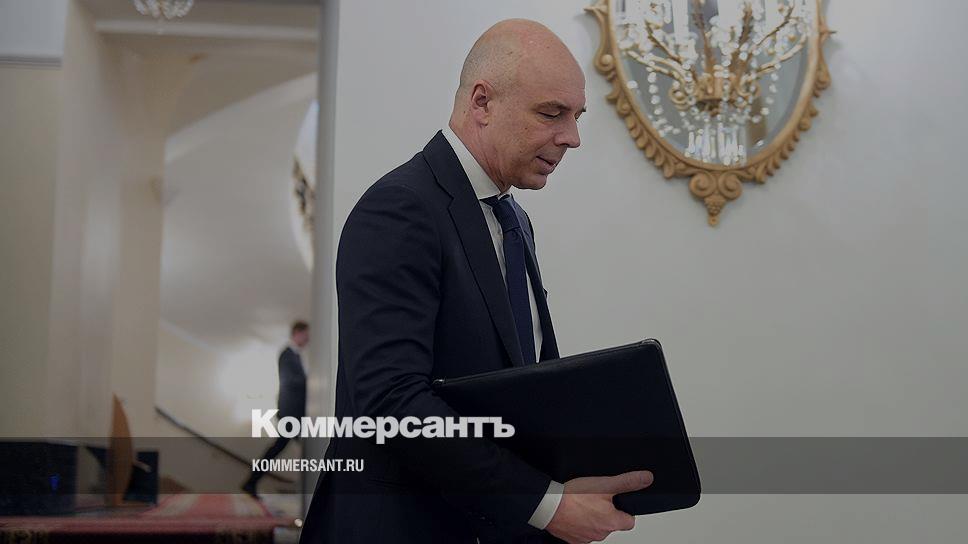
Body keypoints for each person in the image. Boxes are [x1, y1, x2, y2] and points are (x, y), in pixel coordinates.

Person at [299, 19, 652, 544]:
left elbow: (517, 387)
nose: (572, 138)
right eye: (551, 113)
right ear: (482, 103)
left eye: (576, 117)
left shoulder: (513, 219)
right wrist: (547, 505)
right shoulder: (399, 209)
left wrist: (571, 474)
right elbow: (392, 404)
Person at [242, 320, 309, 497]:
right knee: (299, 448)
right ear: (297, 333)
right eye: (306, 335)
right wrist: (311, 380)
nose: (307, 339)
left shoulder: (295, 356)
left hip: (294, 412)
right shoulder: (287, 354)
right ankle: (251, 482)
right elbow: (290, 381)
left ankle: (251, 482)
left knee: (283, 448)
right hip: (290, 412)